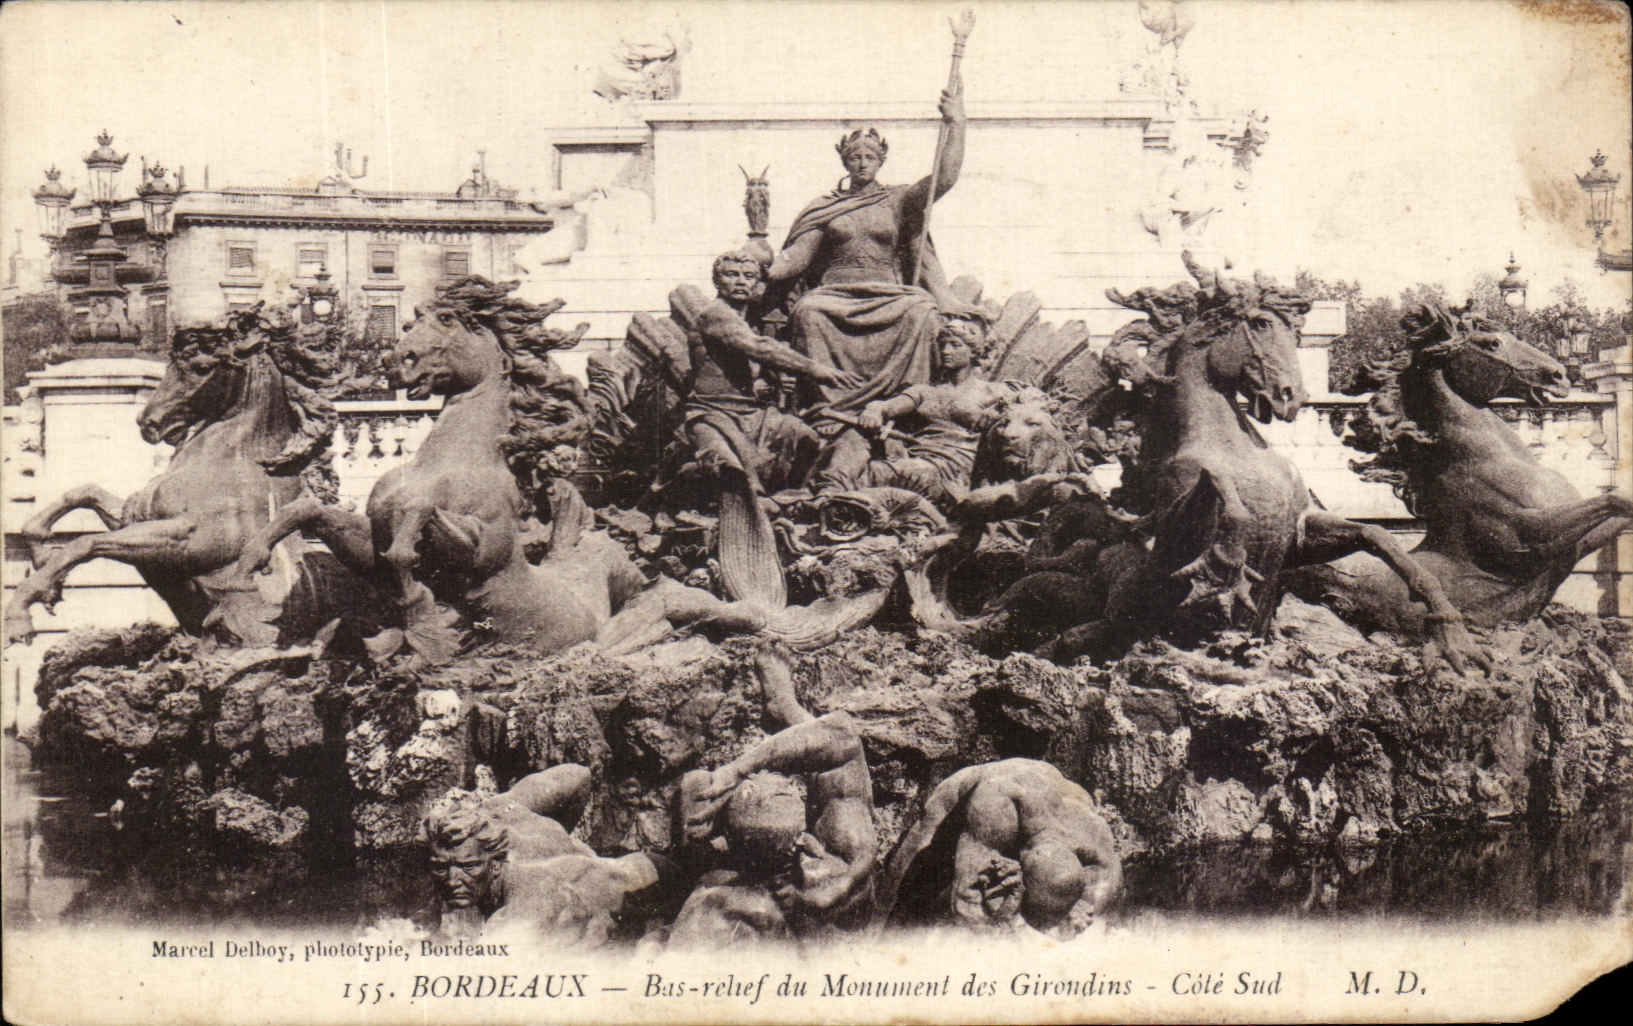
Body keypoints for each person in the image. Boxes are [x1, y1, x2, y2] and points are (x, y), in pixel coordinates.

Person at [749, 79, 972, 492]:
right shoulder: (826, 208)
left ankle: (900, 410)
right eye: (855, 156)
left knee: (921, 311)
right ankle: (829, 413)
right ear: (844, 160)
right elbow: (795, 259)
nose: (863, 162)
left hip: (889, 292)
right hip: (835, 294)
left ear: (881, 160)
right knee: (809, 311)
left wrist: (956, 121)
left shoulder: (901, 199)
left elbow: (945, 177)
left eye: (870, 156)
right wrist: (759, 260)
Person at [668, 644, 877, 948]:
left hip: (817, 884)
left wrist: (740, 771)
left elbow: (859, 865)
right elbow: (841, 736)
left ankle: (784, 710)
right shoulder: (834, 840)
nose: (780, 783)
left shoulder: (842, 837)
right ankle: (786, 710)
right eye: (779, 788)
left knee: (838, 741)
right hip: (808, 883)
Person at [423, 764, 671, 950]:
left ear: (495, 864)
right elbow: (578, 775)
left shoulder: (520, 912)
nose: (452, 880)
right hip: (631, 866)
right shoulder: (498, 811)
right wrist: (562, 837)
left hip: (651, 885)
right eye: (441, 867)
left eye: (469, 866)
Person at [871, 758, 1121, 939]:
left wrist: (1075, 910)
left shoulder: (1093, 836)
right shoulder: (995, 815)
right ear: (1021, 866)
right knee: (902, 878)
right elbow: (963, 904)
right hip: (978, 787)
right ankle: (874, 940)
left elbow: (1099, 895)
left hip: (1061, 791)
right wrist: (1003, 916)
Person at [851, 312, 1013, 505]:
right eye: (942, 345)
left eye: (955, 345)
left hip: (956, 472)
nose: (945, 351)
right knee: (865, 462)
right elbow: (888, 407)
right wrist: (874, 410)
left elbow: (1029, 412)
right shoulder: (923, 391)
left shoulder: (994, 392)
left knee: (881, 473)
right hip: (917, 460)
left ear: (973, 351)